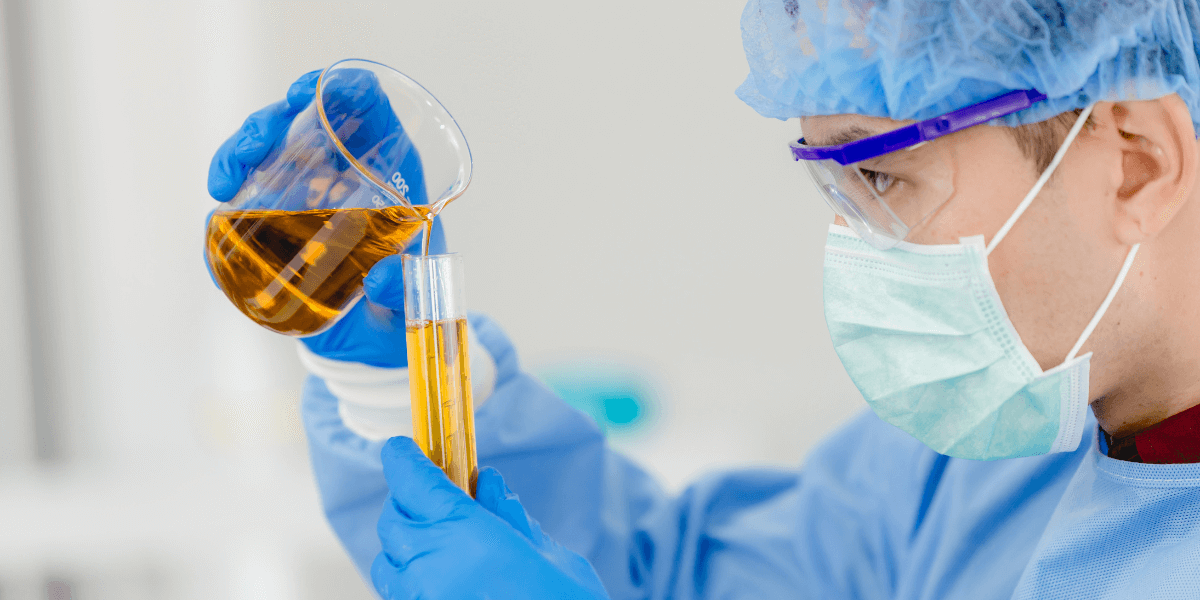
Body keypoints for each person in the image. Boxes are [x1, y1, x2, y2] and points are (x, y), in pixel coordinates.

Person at [207, 1, 1200, 598]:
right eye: (831, 185)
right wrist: (397, 368)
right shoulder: (987, 466)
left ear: (1136, 163)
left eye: (884, 179)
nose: (852, 247)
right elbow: (672, 580)